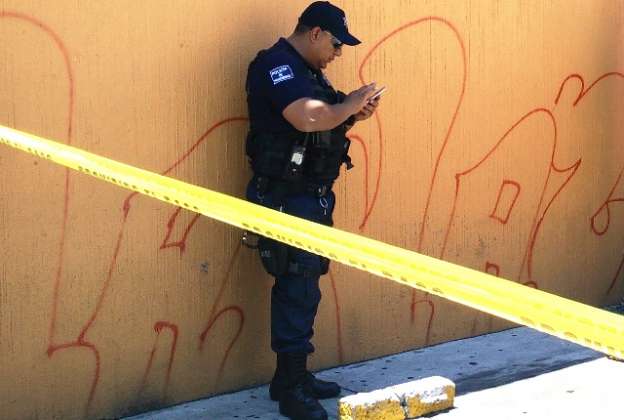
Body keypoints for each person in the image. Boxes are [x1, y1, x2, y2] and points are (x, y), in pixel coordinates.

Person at [244, 2, 380, 419]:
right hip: (286, 198)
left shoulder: (309, 74)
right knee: (296, 284)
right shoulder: (277, 66)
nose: (339, 53)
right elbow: (305, 118)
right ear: (316, 32)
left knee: (306, 285)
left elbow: (326, 120)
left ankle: (295, 377)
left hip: (310, 196)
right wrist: (347, 104)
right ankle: (289, 387)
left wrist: (353, 112)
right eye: (337, 44)